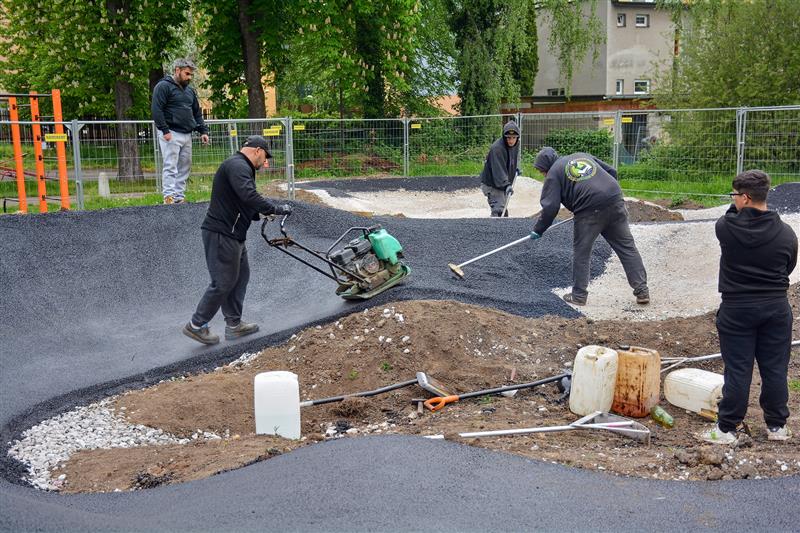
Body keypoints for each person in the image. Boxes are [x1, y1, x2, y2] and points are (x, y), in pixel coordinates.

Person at [700, 170, 797, 444]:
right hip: (776, 308)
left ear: (743, 198)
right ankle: (777, 427)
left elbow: (732, 213)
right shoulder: (786, 234)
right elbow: (789, 266)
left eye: (735, 195)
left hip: (737, 308)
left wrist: (739, 203)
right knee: (776, 369)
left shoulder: (726, 227)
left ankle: (726, 429)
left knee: (738, 370)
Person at [183, 135, 292, 345]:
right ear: (258, 150)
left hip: (233, 234)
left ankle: (234, 325)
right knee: (223, 282)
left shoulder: (240, 166)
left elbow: (241, 200)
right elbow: (248, 195)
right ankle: (197, 325)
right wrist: (275, 209)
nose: (265, 162)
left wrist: (259, 215)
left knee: (240, 276)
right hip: (221, 233)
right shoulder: (237, 165)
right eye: (265, 156)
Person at [531, 147, 649, 306]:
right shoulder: (581, 155)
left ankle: (579, 296)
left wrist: (539, 229)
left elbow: (551, 207)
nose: (543, 175)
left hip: (589, 209)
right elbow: (611, 171)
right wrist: (605, 194)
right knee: (627, 247)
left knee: (582, 251)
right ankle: (642, 291)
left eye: (541, 172)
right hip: (615, 199)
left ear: (546, 167)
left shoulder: (553, 173)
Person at [151, 58, 210, 204]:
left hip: (186, 134)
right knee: (170, 165)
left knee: (185, 166)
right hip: (171, 132)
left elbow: (196, 112)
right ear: (177, 70)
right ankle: (169, 197)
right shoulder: (163, 86)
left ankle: (179, 197)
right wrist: (165, 130)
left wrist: (203, 131)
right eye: (187, 74)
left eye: (191, 75)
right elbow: (156, 109)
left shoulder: (189, 91)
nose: (189, 77)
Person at [480, 121, 521, 217]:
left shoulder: (516, 144)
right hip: (492, 184)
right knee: (498, 210)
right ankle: (493, 231)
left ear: (517, 138)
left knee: (503, 211)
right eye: (508, 138)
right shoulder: (497, 148)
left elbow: (512, 158)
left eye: (514, 138)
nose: (511, 141)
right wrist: (507, 185)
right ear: (504, 137)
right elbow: (498, 170)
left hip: (502, 183)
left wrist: (515, 167)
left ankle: (502, 230)